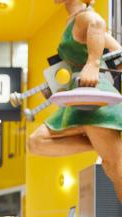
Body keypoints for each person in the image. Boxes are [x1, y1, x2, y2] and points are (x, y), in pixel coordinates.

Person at [27, 0, 122, 203]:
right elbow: (118, 55)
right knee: (36, 142)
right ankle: (97, 144)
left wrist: (94, 64)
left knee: (116, 168)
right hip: (78, 97)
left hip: (95, 99)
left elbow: (97, 23)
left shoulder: (85, 16)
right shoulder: (72, 22)